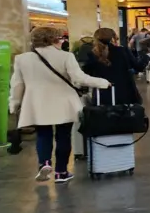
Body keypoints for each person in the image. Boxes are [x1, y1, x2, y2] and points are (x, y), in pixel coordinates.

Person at [9, 26, 110, 183]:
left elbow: (17, 84)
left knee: (43, 134)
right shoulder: (65, 56)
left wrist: (14, 103)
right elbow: (79, 78)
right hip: (64, 102)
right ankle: (61, 172)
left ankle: (45, 163)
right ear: (54, 39)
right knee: (63, 136)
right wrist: (103, 82)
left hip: (37, 103)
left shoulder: (22, 59)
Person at [82, 28, 143, 105]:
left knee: (103, 115)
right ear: (113, 38)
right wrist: (146, 58)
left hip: (101, 93)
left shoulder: (92, 54)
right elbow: (138, 67)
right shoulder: (122, 51)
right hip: (124, 92)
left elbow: (87, 73)